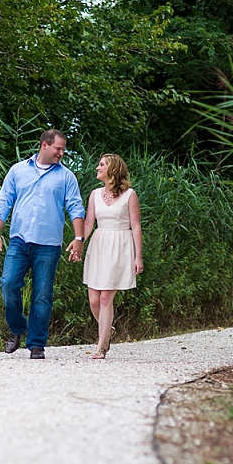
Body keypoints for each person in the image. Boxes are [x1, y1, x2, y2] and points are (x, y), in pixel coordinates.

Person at [0, 129, 86, 359]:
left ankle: (36, 344)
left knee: (42, 294)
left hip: (48, 244)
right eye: (58, 149)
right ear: (44, 145)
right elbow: (3, 203)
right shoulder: (18, 171)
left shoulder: (66, 177)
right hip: (19, 240)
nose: (61, 153)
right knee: (8, 283)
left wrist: (79, 238)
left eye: (63, 149)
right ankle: (17, 328)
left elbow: (75, 208)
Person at [81, 154, 143, 359]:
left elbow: (135, 226)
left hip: (119, 246)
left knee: (106, 297)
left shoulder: (129, 195)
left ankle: (101, 345)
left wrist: (138, 257)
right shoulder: (95, 194)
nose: (97, 167)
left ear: (113, 169)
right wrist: (79, 241)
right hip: (98, 245)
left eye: (101, 165)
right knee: (93, 301)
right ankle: (108, 330)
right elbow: (89, 223)